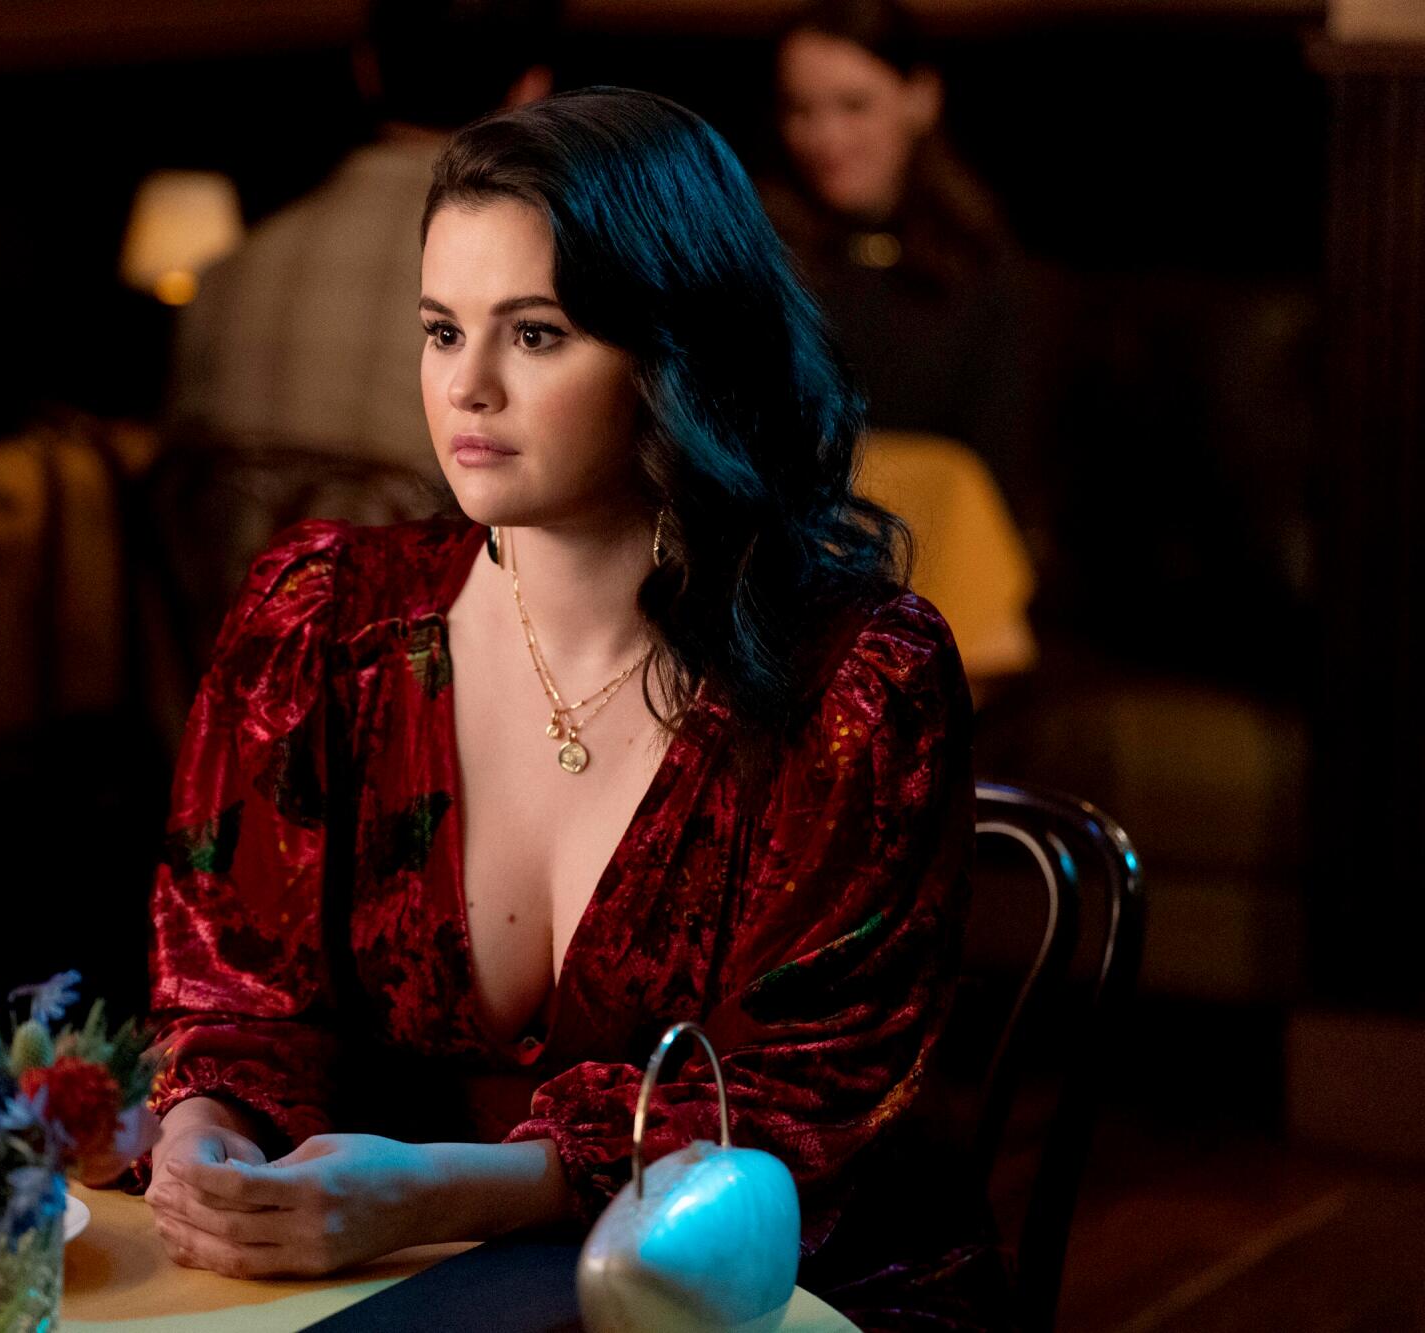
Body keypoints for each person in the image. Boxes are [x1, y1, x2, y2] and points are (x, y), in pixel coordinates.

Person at [142, 87, 1008, 1328]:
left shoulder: (857, 683)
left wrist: (447, 1193)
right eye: (443, 331)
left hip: (774, 1294)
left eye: (535, 334)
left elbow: (792, 1109)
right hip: (393, 1286)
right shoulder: (321, 624)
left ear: (676, 351)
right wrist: (204, 1129)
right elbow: (231, 995)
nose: (469, 387)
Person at [164, 0, 555, 476]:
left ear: (366, 69)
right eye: (444, 335)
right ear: (532, 91)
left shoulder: (224, 275)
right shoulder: (539, 268)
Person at [761, 0, 1042, 535]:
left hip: (944, 563)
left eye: (854, 105)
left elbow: (998, 478)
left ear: (920, 98)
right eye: (801, 110)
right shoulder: (757, 257)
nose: (828, 138)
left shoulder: (981, 265)